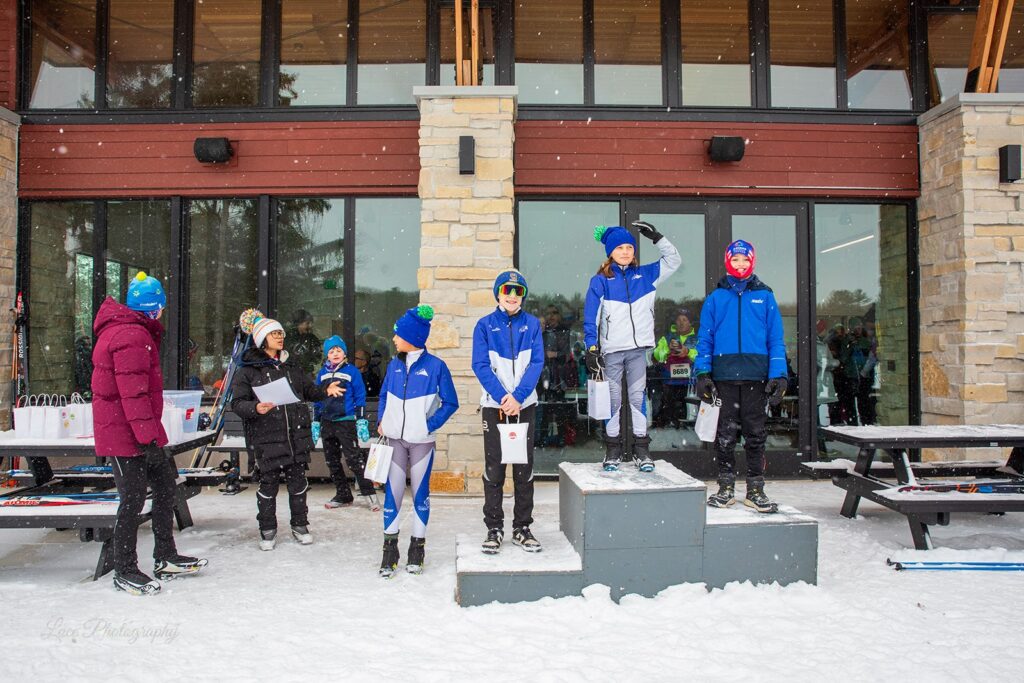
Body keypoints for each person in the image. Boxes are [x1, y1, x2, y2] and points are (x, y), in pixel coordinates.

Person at [91, 271, 206, 595]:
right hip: (125, 433)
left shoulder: (132, 331)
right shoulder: (130, 336)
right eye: (161, 307)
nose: (163, 312)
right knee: (133, 499)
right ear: (153, 308)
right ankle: (124, 569)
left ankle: (165, 555)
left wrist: (150, 436)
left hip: (135, 429)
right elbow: (133, 394)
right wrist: (148, 439)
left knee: (166, 485)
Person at [231, 317, 344, 551]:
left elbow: (309, 391)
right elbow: (238, 403)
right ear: (262, 340)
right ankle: (267, 529)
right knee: (268, 485)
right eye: (275, 334)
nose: (280, 337)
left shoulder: (291, 367)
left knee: (298, 484)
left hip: (296, 437)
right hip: (266, 437)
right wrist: (255, 408)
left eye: (281, 333)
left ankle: (300, 525)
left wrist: (326, 389)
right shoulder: (248, 372)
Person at [693, 240, 787, 514]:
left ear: (752, 262)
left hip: (756, 378)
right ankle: (725, 487)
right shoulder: (716, 298)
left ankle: (755, 490)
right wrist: (702, 373)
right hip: (724, 379)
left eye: (745, 260)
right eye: (736, 260)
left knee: (756, 435)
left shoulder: (765, 296)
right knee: (725, 436)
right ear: (728, 262)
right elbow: (705, 339)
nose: (741, 265)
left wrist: (778, 374)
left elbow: (775, 339)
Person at [583, 221, 681, 471]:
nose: (626, 251)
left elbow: (674, 261)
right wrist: (591, 348)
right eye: (620, 248)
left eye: (629, 247)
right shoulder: (600, 281)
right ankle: (612, 451)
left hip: (638, 352)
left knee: (638, 399)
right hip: (613, 351)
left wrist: (658, 237)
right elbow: (590, 318)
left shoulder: (647, 276)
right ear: (610, 253)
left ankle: (641, 450)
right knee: (614, 401)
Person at [376, 305, 458, 577]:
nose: (393, 338)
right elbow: (385, 395)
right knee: (393, 493)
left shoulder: (436, 367)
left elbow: (451, 403)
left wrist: (427, 425)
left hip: (421, 443)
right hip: (394, 441)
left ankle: (417, 547)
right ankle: (390, 550)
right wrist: (382, 420)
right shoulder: (393, 364)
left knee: (420, 495)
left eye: (397, 334)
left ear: (411, 337)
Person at [472, 270, 545, 555]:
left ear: (523, 295)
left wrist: (518, 397)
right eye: (507, 290)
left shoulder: (532, 325)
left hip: (524, 406)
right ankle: (494, 527)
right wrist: (504, 397)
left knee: (524, 469)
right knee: (495, 468)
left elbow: (537, 363)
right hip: (495, 407)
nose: (512, 296)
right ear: (498, 293)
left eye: (518, 291)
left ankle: (522, 527)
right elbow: (479, 365)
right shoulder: (485, 326)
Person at [316, 335, 380, 511]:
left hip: (346, 421)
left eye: (338, 350)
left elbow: (360, 397)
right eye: (331, 351)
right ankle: (343, 494)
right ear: (327, 355)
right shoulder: (322, 374)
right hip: (327, 422)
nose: (335, 353)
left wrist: (360, 420)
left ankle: (369, 494)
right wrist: (316, 421)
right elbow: (317, 399)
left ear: (344, 354)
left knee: (354, 459)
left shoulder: (352, 371)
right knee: (332, 460)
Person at [652, 308, 698, 428]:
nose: (681, 323)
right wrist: (667, 349)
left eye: (685, 319)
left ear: (690, 323)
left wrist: (687, 351)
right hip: (668, 383)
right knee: (668, 411)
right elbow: (657, 355)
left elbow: (702, 356)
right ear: (675, 323)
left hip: (689, 384)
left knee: (687, 411)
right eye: (679, 319)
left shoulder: (697, 339)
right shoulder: (666, 338)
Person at [285, 308, 322, 375]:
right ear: (298, 324)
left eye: (311, 323)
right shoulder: (288, 338)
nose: (310, 326)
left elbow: (317, 358)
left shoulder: (312, 338)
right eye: (307, 323)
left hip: (307, 373)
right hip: (291, 373)